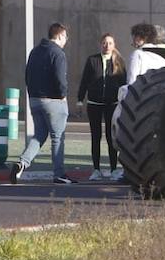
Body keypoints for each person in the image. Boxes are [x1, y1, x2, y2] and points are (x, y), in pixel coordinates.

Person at [11, 22, 72, 184]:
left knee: (39, 135)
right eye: (65, 37)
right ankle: (59, 174)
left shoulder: (35, 51)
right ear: (59, 36)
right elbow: (60, 78)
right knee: (57, 138)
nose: (66, 40)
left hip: (35, 100)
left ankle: (22, 163)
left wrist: (32, 94)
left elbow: (27, 75)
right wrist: (63, 95)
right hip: (53, 100)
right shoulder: (58, 53)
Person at [76, 33, 126, 181]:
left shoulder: (119, 62)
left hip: (112, 104)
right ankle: (96, 169)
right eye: (104, 43)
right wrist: (80, 100)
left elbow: (124, 84)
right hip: (94, 104)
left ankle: (113, 169)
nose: (107, 46)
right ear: (100, 44)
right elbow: (84, 81)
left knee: (112, 138)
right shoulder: (92, 60)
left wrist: (124, 103)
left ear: (114, 45)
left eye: (110, 43)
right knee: (95, 136)